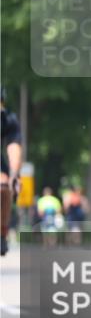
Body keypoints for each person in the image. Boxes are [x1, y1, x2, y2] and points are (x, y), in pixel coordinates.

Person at [1, 86, 24, 257]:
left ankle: (2, 232)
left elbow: (13, 146)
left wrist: (14, 173)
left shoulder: (8, 119)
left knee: (3, 184)